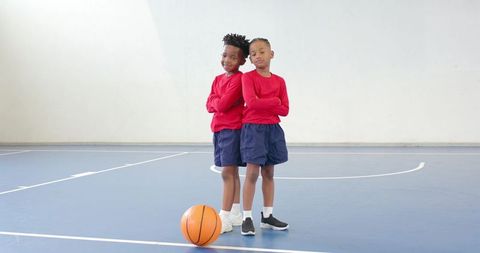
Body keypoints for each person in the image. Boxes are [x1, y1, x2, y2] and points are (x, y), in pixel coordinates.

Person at [240, 38, 290, 236]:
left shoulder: (280, 81)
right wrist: (274, 101)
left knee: (269, 174)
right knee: (252, 173)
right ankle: (247, 217)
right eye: (253, 53)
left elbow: (285, 110)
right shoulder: (247, 78)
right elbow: (251, 103)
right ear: (250, 59)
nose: (258, 55)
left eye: (262, 51)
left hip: (273, 130)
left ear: (272, 54)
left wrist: (267, 102)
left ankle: (267, 216)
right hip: (253, 129)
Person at [206, 33, 249, 234]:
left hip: (232, 130)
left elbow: (221, 104)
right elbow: (209, 104)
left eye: (233, 57)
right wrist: (216, 102)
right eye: (225, 55)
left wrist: (217, 102)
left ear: (242, 60)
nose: (227, 60)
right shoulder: (217, 79)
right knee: (230, 173)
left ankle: (224, 216)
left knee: (227, 173)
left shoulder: (240, 79)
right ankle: (235, 212)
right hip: (219, 129)